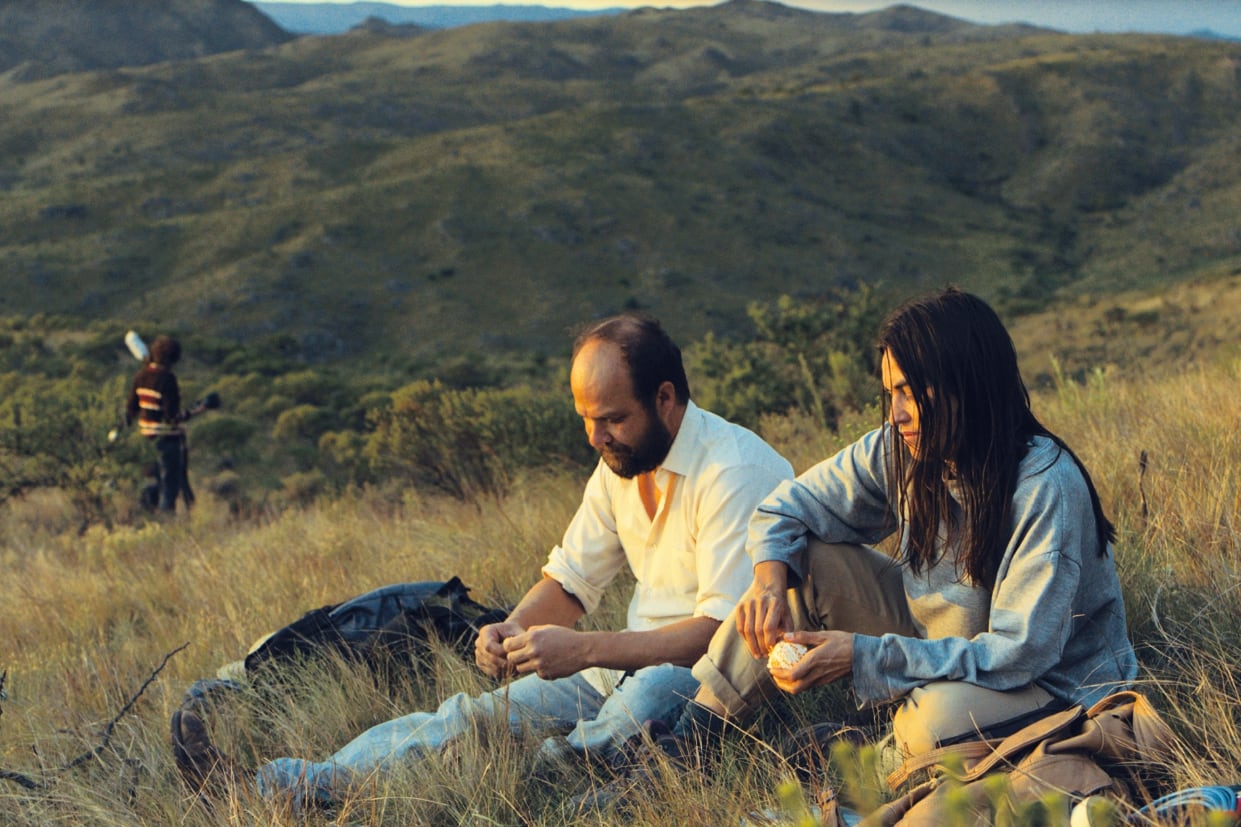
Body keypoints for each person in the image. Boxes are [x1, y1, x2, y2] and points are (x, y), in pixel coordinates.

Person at [171, 313, 794, 808]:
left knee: (648, 698)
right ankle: (277, 787)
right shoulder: (621, 464)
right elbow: (570, 582)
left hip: (714, 681)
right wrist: (513, 628)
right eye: (585, 420)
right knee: (469, 716)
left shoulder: (733, 470)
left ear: (664, 399)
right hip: (616, 668)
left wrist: (585, 650)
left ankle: (542, 774)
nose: (595, 439)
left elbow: (718, 637)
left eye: (611, 420)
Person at [628, 288, 1138, 795]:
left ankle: (855, 764)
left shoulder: (1046, 487)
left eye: (912, 392)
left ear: (970, 383)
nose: (897, 414)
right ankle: (691, 740)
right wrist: (766, 580)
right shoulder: (901, 450)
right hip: (943, 646)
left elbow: (1018, 656)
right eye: (891, 393)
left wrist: (864, 656)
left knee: (934, 722)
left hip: (1051, 685)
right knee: (801, 564)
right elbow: (783, 508)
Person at [125, 334, 200, 514]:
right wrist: (195, 411)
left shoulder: (141, 376)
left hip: (145, 440)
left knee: (151, 485)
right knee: (169, 488)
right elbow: (171, 416)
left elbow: (131, 409)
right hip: (167, 441)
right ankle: (166, 526)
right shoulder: (168, 379)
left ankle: (146, 521)